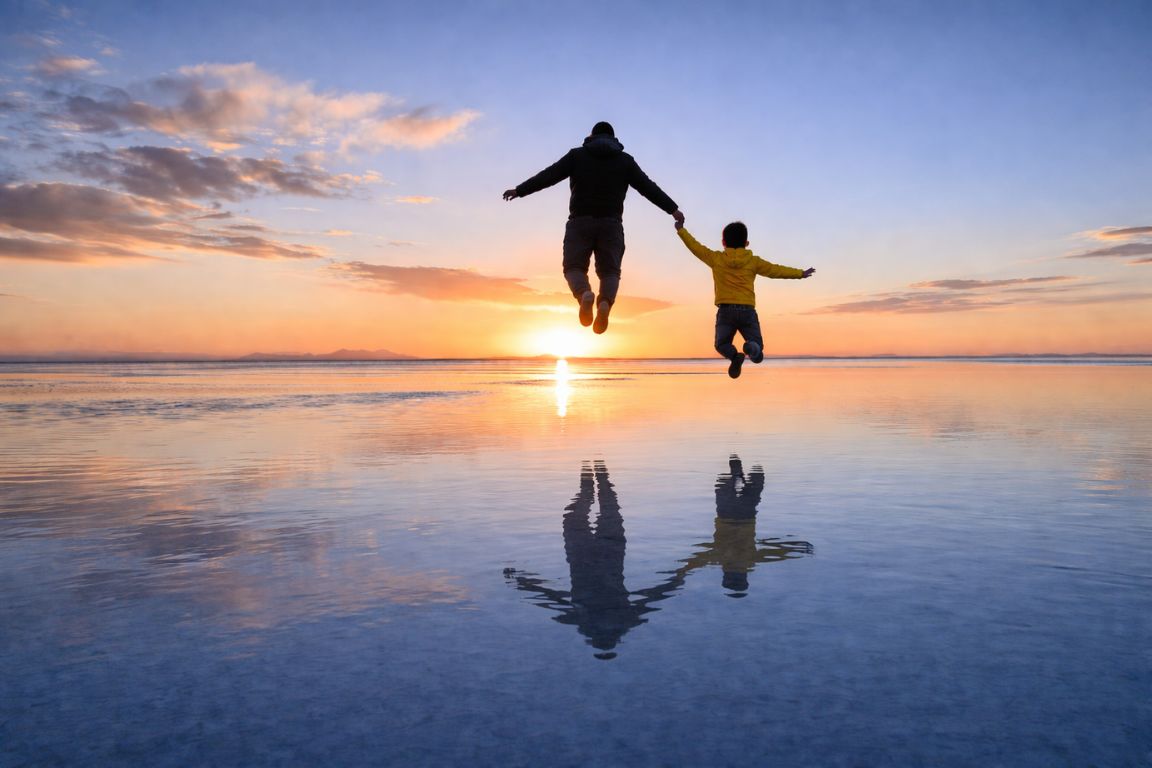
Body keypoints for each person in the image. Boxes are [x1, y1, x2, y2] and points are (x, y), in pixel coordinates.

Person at [503, 121, 685, 334]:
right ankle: (605, 303)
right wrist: (673, 209)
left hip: (580, 222)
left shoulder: (577, 155)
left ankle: (584, 296)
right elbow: (648, 188)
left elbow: (549, 176)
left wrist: (520, 190)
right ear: (614, 139)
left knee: (574, 268)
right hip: (612, 224)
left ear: (591, 136)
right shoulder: (625, 161)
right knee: (610, 272)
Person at [675, 219, 814, 378]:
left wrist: (681, 230)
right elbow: (775, 270)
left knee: (721, 344)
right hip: (747, 311)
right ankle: (752, 348)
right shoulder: (753, 262)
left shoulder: (716, 259)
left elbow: (695, 247)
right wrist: (799, 274)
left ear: (723, 242)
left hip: (726, 311)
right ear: (746, 243)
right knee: (757, 345)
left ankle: (735, 357)